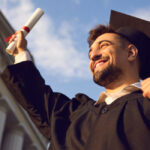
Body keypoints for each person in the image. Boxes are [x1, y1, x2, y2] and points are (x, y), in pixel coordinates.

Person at [2, 10, 150, 150]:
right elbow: (35, 94)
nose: (93, 55)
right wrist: (21, 52)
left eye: (104, 45)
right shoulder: (72, 115)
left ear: (131, 52)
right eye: (90, 52)